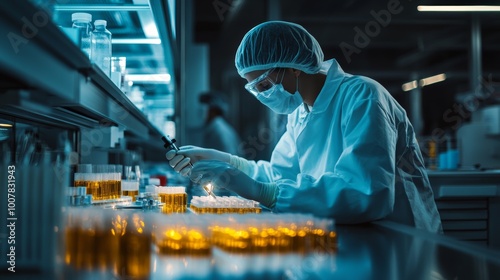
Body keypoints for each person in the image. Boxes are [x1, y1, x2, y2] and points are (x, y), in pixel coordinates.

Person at [166, 21, 442, 233]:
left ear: (294, 68)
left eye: (264, 84)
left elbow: (365, 192)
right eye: (256, 89)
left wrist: (260, 191)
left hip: (396, 233)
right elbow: (280, 175)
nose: (264, 95)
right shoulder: (300, 112)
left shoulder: (362, 96)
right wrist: (226, 162)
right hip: (347, 229)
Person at [199, 91, 241, 155]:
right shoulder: (217, 127)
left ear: (213, 110)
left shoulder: (220, 131)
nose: (200, 110)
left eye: (205, 106)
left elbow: (228, 158)